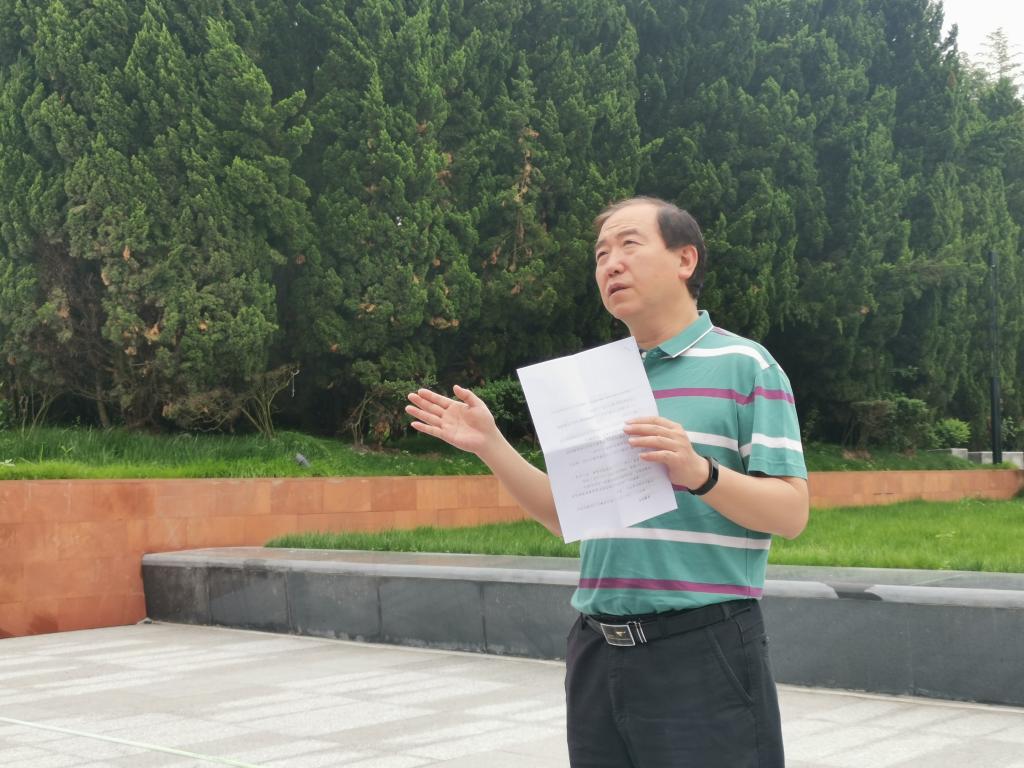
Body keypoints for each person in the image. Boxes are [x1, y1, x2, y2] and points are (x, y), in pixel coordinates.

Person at [406, 196, 809, 768]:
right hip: (598, 652)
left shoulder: (746, 366)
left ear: (685, 259)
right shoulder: (596, 381)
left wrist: (700, 473)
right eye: (600, 255)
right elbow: (567, 516)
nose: (610, 264)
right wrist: (491, 444)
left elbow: (791, 513)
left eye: (628, 245)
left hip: (701, 650)